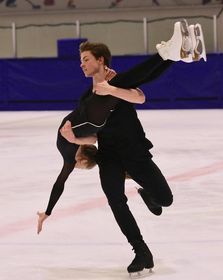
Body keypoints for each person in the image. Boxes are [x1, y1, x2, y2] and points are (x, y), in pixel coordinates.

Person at [37, 20, 206, 275]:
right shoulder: (87, 98)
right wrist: (74, 140)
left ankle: (171, 54)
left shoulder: (118, 83)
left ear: (101, 60)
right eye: (80, 60)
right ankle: (141, 251)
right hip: (109, 155)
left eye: (85, 59)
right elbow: (93, 137)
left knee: (165, 200)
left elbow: (140, 96)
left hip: (134, 151)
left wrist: (113, 89)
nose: (81, 64)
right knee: (115, 200)